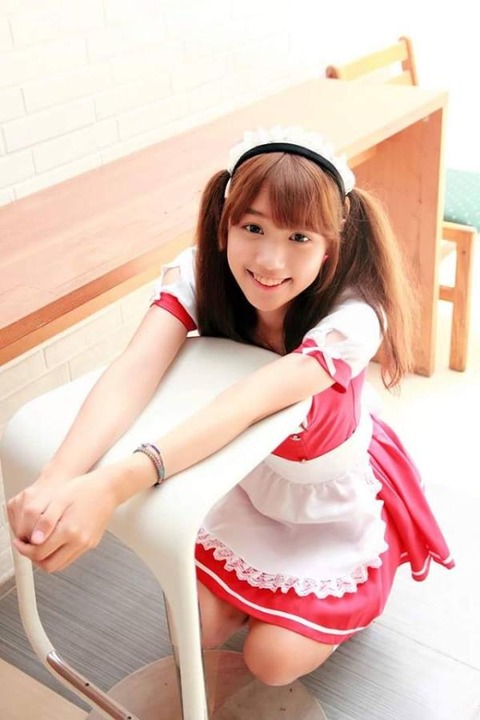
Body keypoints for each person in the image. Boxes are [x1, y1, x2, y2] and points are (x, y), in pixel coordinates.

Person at [7, 126, 454, 687]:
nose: (270, 259)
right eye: (253, 227)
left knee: (271, 662)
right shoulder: (201, 274)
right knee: (194, 626)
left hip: (329, 504)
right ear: (224, 226)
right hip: (249, 481)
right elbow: (135, 369)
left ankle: (357, 585)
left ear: (330, 246)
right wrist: (58, 479)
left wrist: (110, 485)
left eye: (299, 237)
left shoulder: (354, 315)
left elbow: (246, 403)